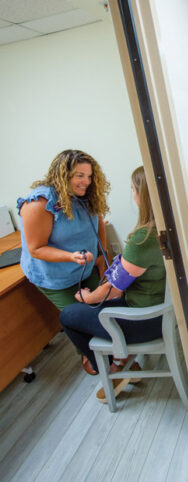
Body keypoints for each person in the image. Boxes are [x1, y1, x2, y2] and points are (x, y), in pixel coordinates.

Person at [60, 166, 166, 402]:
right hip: (159, 312)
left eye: (133, 190)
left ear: (143, 195)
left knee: (68, 315)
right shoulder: (167, 226)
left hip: (144, 321)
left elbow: (114, 291)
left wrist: (86, 297)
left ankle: (114, 367)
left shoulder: (143, 239)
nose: (133, 196)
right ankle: (120, 360)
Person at [17, 149, 111, 374]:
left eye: (89, 176)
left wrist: (102, 256)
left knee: (102, 309)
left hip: (85, 266)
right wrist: (71, 256)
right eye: (80, 175)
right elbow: (36, 248)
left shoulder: (86, 196)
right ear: (63, 174)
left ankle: (113, 352)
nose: (86, 182)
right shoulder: (39, 203)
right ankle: (90, 356)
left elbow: (98, 223)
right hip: (56, 276)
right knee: (81, 319)